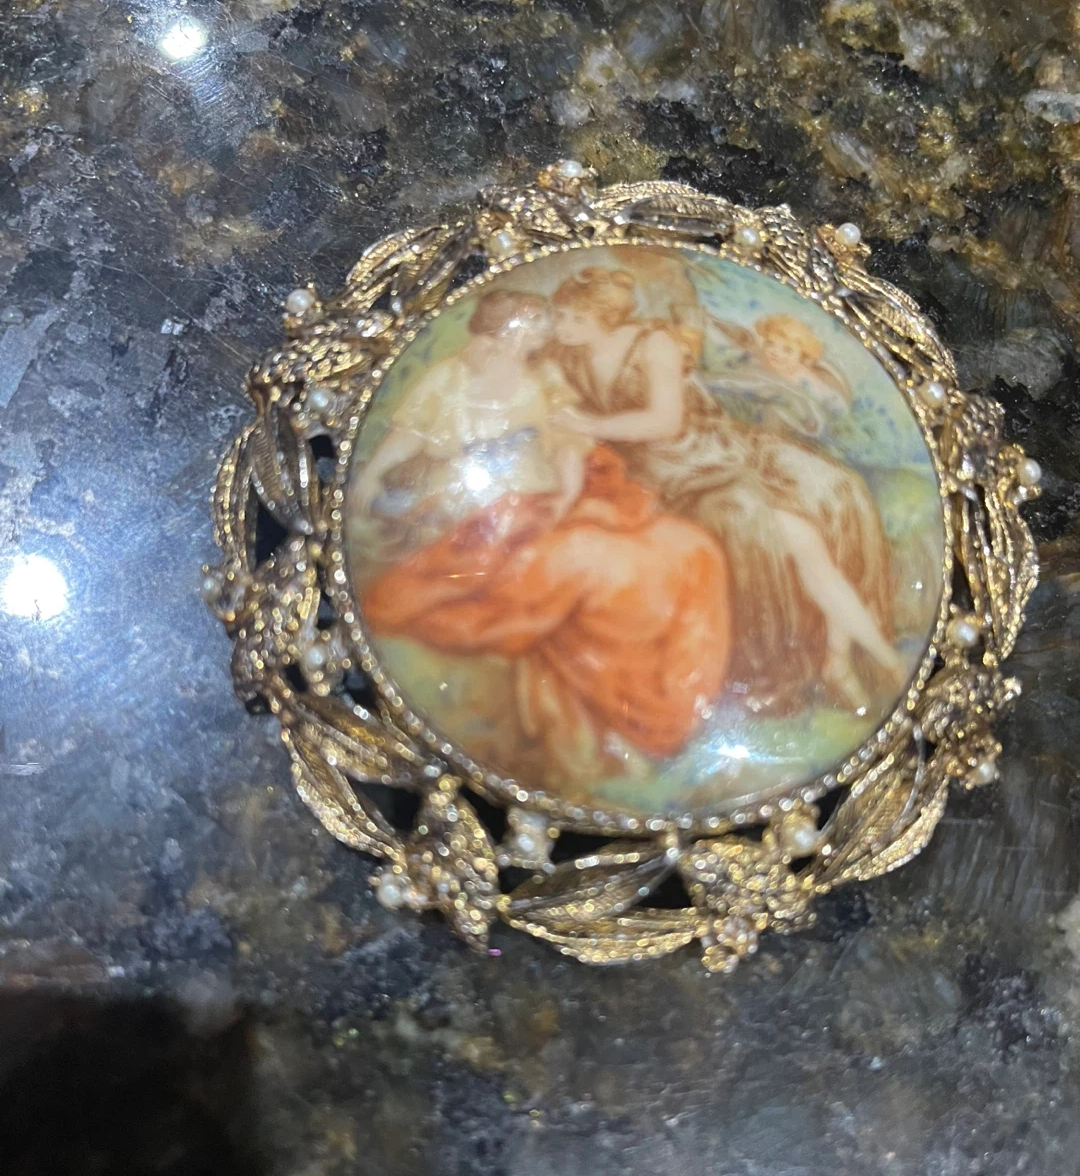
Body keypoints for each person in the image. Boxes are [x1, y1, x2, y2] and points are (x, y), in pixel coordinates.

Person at [548, 266, 905, 713]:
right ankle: (865, 662)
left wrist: (587, 423)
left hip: (711, 446)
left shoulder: (653, 344)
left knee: (838, 490)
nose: (562, 327)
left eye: (575, 319)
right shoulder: (565, 357)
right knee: (797, 536)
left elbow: (665, 421)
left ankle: (853, 658)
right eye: (560, 317)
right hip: (667, 474)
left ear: (606, 318)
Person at [362, 445, 732, 789]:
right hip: (685, 723)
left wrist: (449, 575)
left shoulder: (575, 551)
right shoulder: (692, 540)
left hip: (626, 730)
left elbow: (481, 630)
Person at [353, 289, 591, 527]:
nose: (546, 326)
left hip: (532, 497)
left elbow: (567, 441)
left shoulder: (546, 378)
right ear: (503, 324)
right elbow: (410, 431)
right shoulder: (450, 375)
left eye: (544, 318)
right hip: (455, 499)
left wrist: (568, 495)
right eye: (533, 318)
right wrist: (371, 474)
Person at [710, 313, 852, 439]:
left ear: (803, 357)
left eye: (787, 350)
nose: (775, 352)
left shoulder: (801, 377)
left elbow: (816, 405)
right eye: (770, 343)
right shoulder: (764, 361)